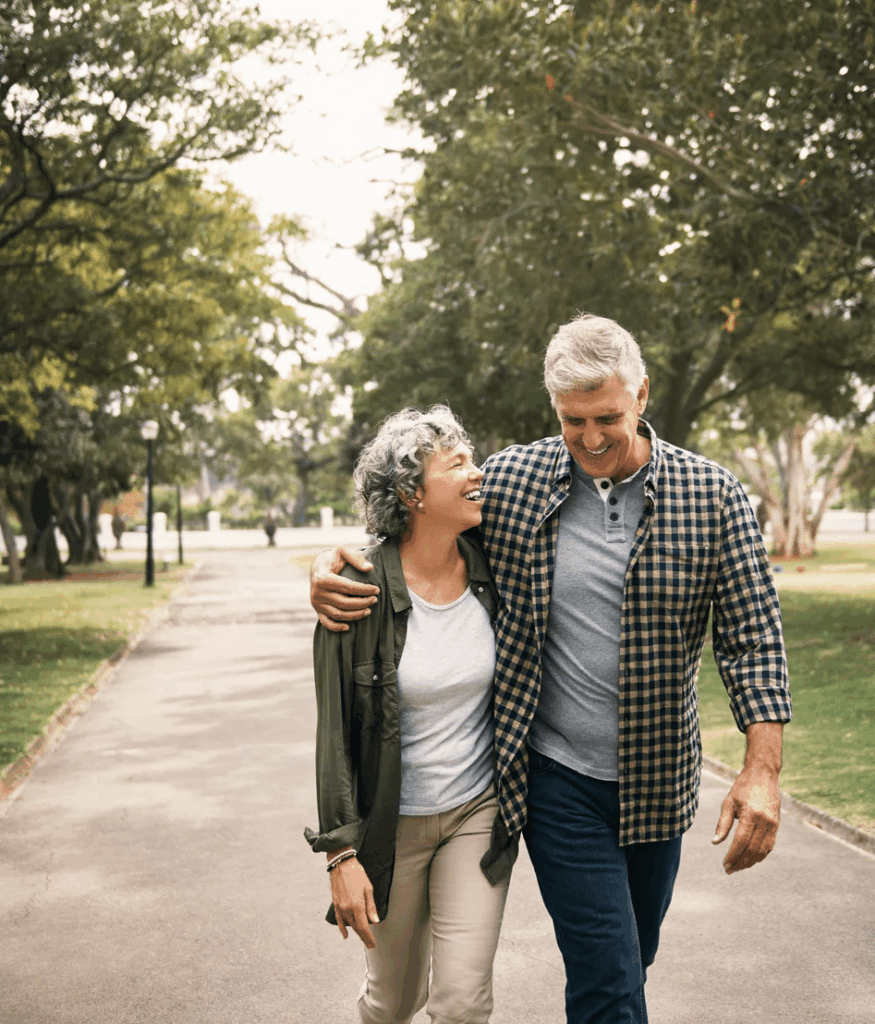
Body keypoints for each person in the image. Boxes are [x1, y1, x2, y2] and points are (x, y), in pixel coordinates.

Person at [311, 313, 792, 1024]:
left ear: (642, 395)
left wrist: (761, 770)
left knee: (631, 958)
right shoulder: (513, 479)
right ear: (553, 411)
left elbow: (752, 639)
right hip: (555, 778)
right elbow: (415, 522)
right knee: (605, 973)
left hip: (658, 781)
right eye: (573, 421)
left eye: (607, 417)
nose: (591, 439)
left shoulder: (712, 496)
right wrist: (329, 565)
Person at [304, 406, 518, 1024]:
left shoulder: (494, 566)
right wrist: (340, 857)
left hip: (478, 815)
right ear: (411, 493)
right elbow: (333, 735)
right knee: (393, 1003)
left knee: (461, 1002)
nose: (479, 475)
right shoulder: (355, 588)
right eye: (458, 466)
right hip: (388, 828)